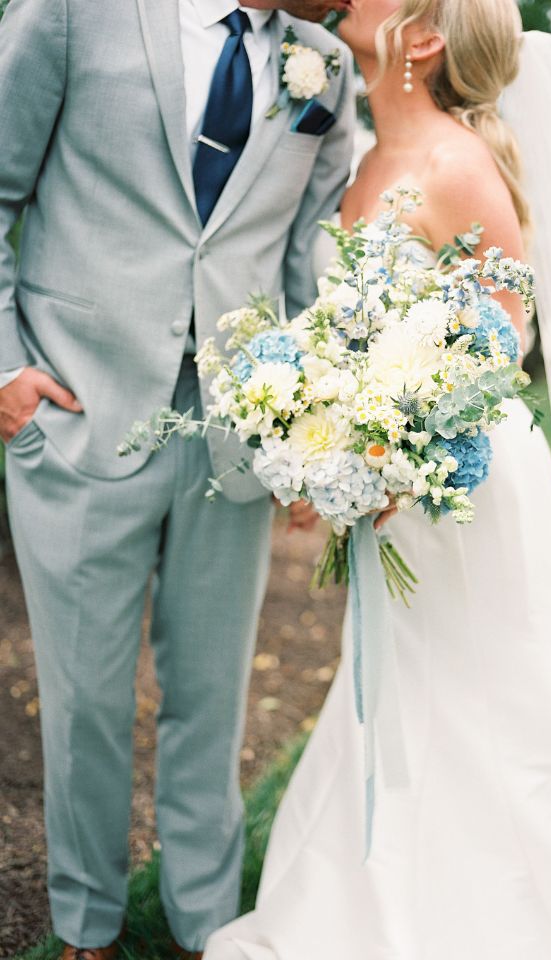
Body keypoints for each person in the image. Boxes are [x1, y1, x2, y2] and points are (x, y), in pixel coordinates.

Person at [205, 1, 551, 958]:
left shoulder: (455, 164)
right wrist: (316, 435)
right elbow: (354, 336)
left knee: (500, 693)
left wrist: (394, 445)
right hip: (398, 488)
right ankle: (397, 873)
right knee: (413, 684)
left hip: (465, 487)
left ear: (425, 38)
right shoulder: (369, 163)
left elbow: (499, 341)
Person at [0, 0, 355, 957]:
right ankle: (86, 922)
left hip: (233, 435)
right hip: (77, 418)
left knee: (213, 697)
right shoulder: (75, 14)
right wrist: (4, 372)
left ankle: (207, 923)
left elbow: (306, 261)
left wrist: (310, 423)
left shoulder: (323, 63)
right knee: (85, 704)